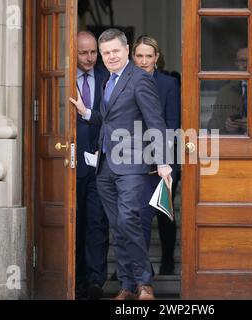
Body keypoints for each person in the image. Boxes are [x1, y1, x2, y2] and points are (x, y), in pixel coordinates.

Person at [71, 28, 172, 301]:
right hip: (105, 167)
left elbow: (156, 122)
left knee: (129, 221)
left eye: (115, 51)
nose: (110, 56)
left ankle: (144, 283)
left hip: (132, 164)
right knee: (118, 227)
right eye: (106, 53)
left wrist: (163, 162)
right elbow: (111, 119)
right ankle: (127, 286)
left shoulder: (139, 79)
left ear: (127, 50)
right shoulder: (108, 81)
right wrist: (87, 112)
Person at [132, 35, 181, 275]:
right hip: (130, 159)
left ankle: (168, 261)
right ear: (133, 57)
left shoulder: (169, 84)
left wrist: (160, 160)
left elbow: (171, 125)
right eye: (139, 56)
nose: (143, 61)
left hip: (164, 160)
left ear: (157, 58)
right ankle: (136, 266)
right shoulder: (124, 82)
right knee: (134, 215)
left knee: (164, 213)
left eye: (148, 56)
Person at [72, 31, 109, 300]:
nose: (89, 58)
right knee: (75, 222)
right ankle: (75, 279)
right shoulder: (62, 79)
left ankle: (96, 281)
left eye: (93, 52)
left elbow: (112, 119)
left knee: (97, 223)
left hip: (101, 164)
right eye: (83, 52)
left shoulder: (107, 78)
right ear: (73, 52)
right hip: (70, 163)